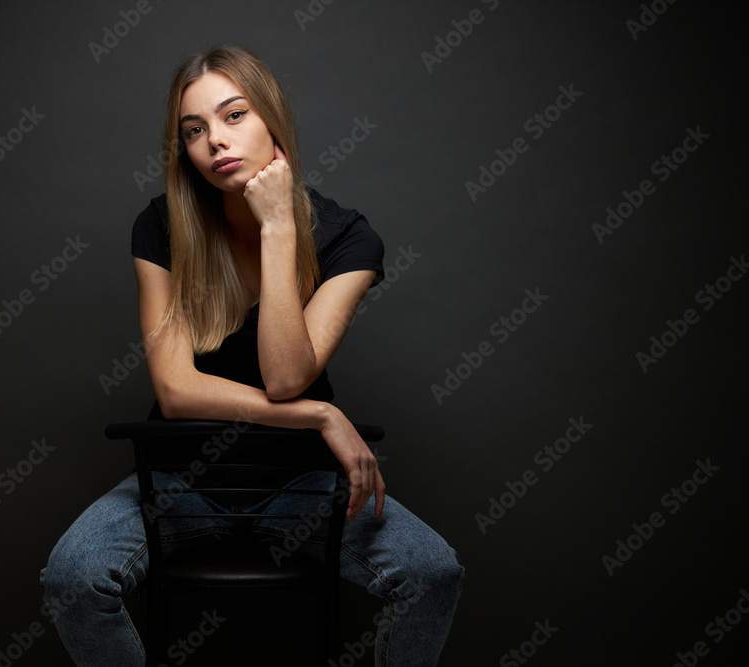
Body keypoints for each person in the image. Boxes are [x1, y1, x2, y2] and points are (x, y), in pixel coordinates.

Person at [41, 45, 464, 666]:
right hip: (179, 484)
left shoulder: (348, 238)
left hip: (304, 488)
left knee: (433, 572)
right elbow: (176, 391)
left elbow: (286, 376)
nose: (215, 140)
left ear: (273, 119)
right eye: (194, 130)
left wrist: (277, 229)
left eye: (234, 115)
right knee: (72, 577)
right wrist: (320, 415)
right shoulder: (161, 226)